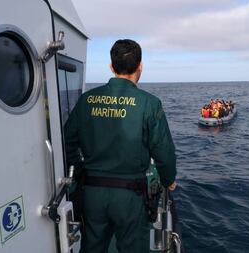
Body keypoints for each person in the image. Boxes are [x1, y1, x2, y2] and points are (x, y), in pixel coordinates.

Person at [64, 39, 177, 253]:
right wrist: (169, 179)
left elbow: (67, 141)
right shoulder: (149, 104)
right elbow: (164, 151)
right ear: (140, 66)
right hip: (130, 198)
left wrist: (79, 172)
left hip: (92, 194)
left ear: (111, 67)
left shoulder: (86, 100)